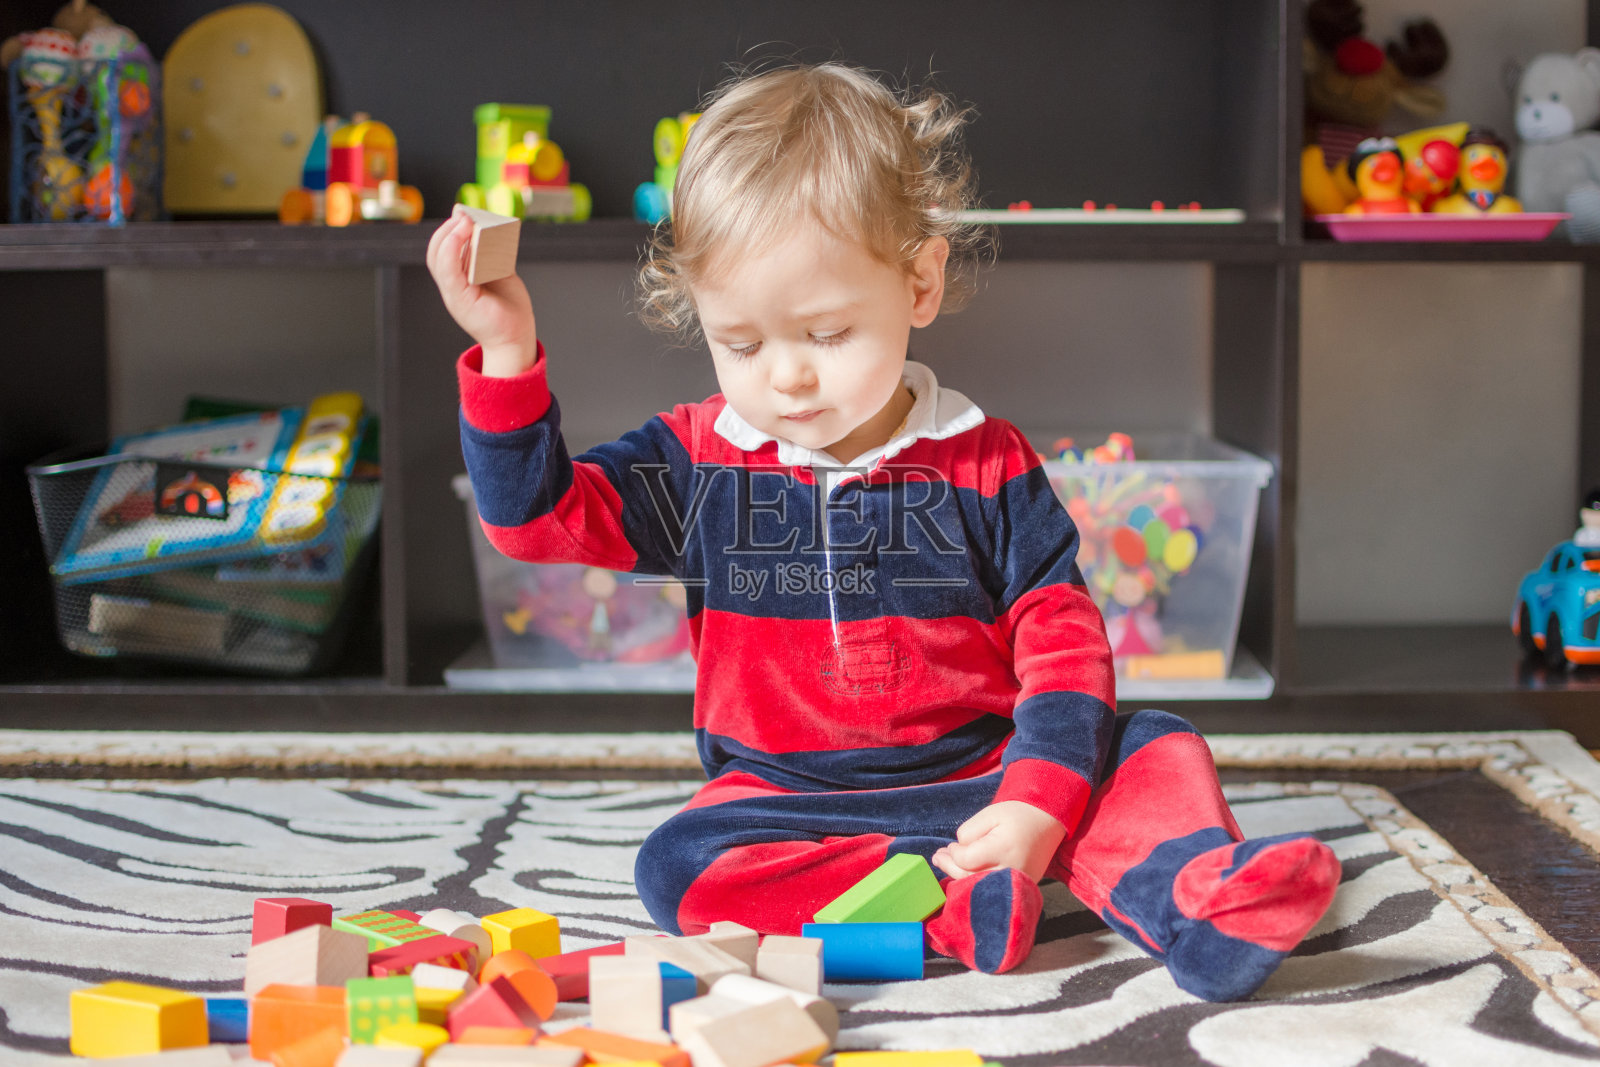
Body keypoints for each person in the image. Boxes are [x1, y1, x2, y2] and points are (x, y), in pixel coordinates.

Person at [429, 62, 1340, 1001]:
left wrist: (1037, 796)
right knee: (678, 865)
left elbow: (1064, 647)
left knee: (1154, 748)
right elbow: (535, 523)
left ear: (919, 281)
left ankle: (1200, 903)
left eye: (826, 335)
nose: (785, 378)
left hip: (989, 774)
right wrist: (506, 351)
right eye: (740, 344)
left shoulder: (985, 460)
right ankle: (947, 907)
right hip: (791, 800)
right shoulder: (699, 460)